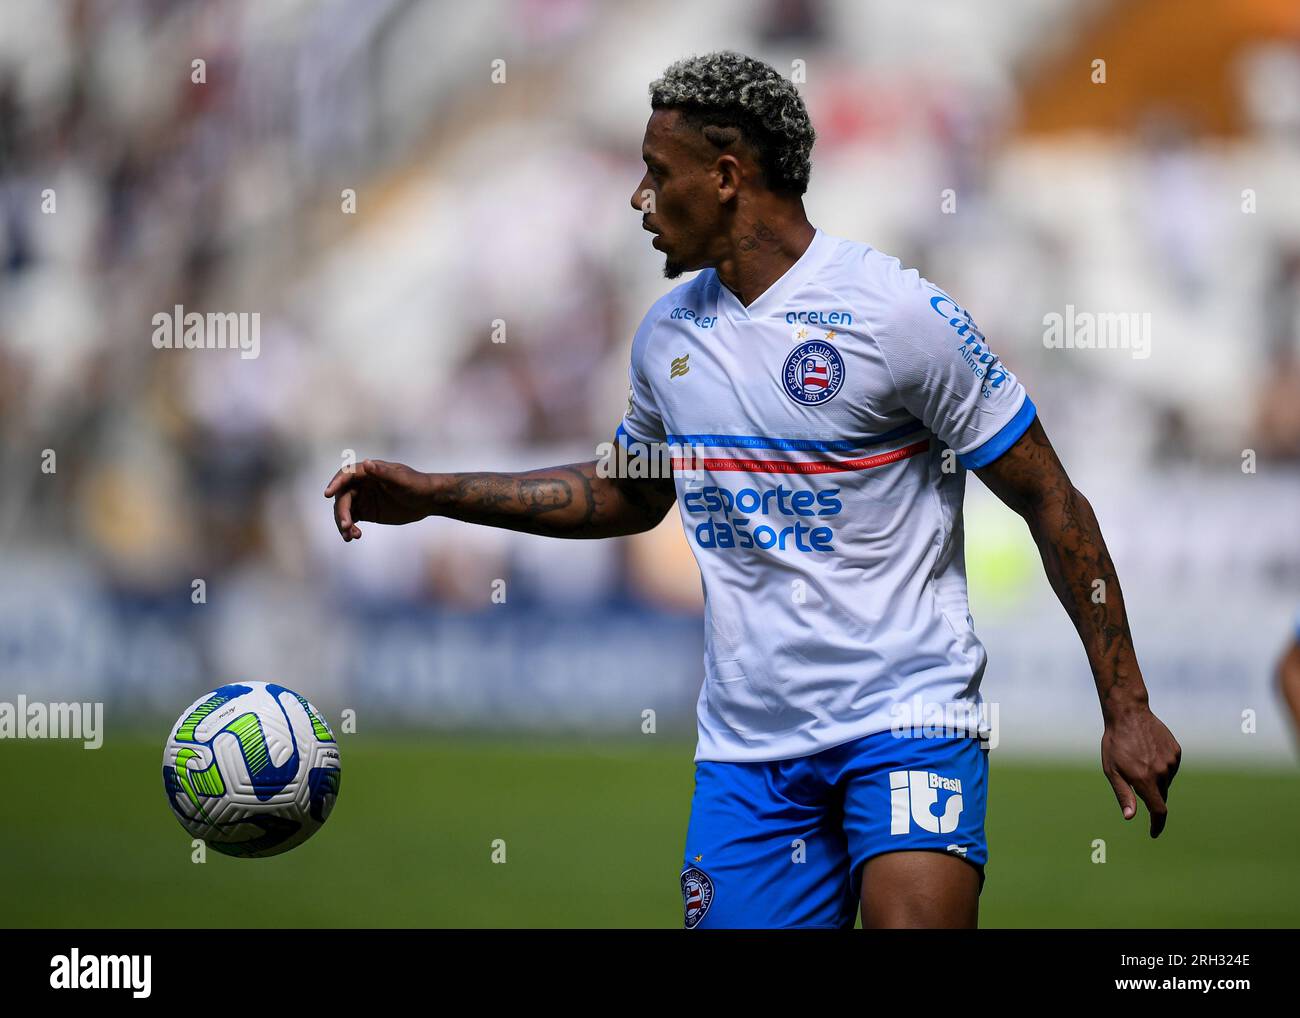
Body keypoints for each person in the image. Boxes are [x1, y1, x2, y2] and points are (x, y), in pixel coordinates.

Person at [323, 51, 1181, 929]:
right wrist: (436, 494)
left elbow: (1051, 498)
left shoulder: (895, 316)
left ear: (727, 177)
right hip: (751, 751)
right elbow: (629, 493)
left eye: (657, 175)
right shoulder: (668, 337)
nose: (638, 200)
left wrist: (1128, 706)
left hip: (906, 717)